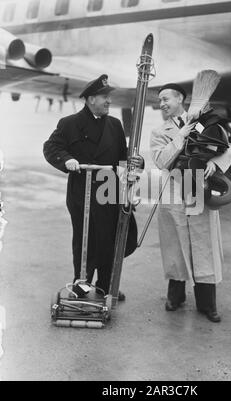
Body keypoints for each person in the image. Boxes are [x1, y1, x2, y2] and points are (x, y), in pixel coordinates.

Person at [43, 74, 143, 300]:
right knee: (83, 240)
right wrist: (66, 159)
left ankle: (106, 287)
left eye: (108, 97)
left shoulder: (115, 125)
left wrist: (136, 163)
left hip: (108, 192)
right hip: (82, 192)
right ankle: (81, 285)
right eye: (104, 96)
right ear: (90, 99)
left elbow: (122, 158)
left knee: (108, 240)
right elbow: (51, 148)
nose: (109, 101)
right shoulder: (69, 124)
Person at [150, 83, 231, 322]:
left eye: (166, 99)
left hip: (199, 189)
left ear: (181, 99)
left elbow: (228, 147)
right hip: (174, 191)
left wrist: (214, 163)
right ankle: (175, 297)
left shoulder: (204, 121)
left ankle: (207, 304)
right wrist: (181, 135)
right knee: (175, 243)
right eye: (160, 101)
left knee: (203, 243)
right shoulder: (159, 132)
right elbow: (161, 161)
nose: (162, 104)